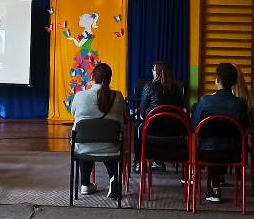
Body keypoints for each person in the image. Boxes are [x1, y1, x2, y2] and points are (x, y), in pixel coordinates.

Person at [192, 63, 249, 203]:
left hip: (206, 152)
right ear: (234, 82)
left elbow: (194, 127)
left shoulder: (205, 101)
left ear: (217, 80)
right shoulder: (241, 104)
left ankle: (214, 188)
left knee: (212, 146)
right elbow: (245, 128)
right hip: (233, 154)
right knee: (220, 145)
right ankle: (215, 187)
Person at [69, 63, 127, 200]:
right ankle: (114, 179)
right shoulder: (118, 96)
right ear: (110, 79)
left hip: (84, 147)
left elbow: (73, 114)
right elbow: (123, 117)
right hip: (112, 147)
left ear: (92, 77)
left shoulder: (80, 96)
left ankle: (85, 184)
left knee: (87, 141)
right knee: (107, 141)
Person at [135, 61, 186, 173]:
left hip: (152, 129)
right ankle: (158, 162)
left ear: (157, 73)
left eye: (153, 70)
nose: (152, 72)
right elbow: (181, 108)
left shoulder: (149, 86)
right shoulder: (176, 88)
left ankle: (139, 163)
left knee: (138, 129)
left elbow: (142, 112)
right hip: (174, 131)